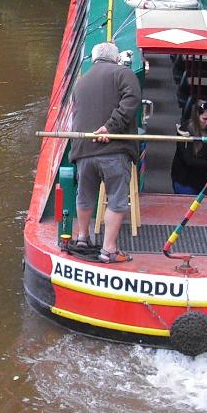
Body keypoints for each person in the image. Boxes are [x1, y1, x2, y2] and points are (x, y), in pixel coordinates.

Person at [67, 41, 140, 263]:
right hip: (113, 148)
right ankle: (109, 249)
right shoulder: (123, 73)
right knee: (117, 199)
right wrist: (111, 127)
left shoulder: (80, 83)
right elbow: (132, 99)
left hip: (83, 151)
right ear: (116, 58)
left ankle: (82, 237)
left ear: (94, 59)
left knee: (85, 194)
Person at [171, 99, 207, 195]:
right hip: (185, 181)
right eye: (204, 119)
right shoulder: (185, 131)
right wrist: (206, 162)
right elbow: (187, 159)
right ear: (196, 116)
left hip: (203, 181)